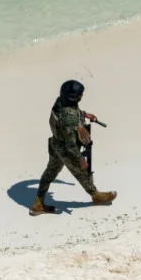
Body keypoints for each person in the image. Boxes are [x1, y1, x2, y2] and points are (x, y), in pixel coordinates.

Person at [30, 80, 117, 216]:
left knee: (49, 173)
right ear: (78, 97)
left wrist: (84, 114)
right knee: (82, 173)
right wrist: (80, 159)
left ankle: (38, 203)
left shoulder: (60, 102)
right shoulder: (69, 118)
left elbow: (71, 112)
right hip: (66, 149)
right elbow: (70, 144)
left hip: (55, 144)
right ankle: (95, 195)